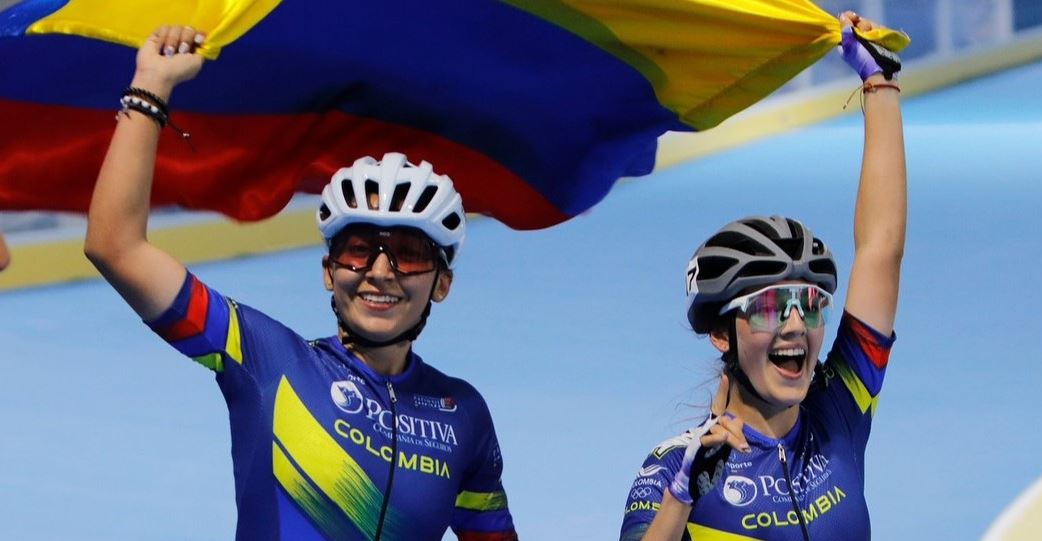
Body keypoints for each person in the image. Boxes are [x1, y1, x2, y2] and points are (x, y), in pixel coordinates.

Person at [84, 25, 517, 541]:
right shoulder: (265, 358)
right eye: (359, 250)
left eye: (408, 254)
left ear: (441, 284)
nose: (380, 271)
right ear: (328, 272)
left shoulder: (461, 413)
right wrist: (150, 87)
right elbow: (115, 246)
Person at [619, 12, 905, 541]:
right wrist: (680, 500)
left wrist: (880, 85)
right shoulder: (673, 470)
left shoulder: (839, 410)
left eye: (810, 303)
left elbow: (880, 250)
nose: (796, 324)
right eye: (771, 306)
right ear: (722, 333)